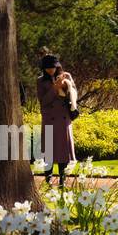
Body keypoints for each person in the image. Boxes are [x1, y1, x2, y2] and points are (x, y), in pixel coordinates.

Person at [36, 54, 77, 188]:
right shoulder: (41, 81)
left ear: (57, 66)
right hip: (49, 118)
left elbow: (74, 93)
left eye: (52, 67)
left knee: (63, 151)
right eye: (47, 68)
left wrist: (65, 86)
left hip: (63, 118)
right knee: (49, 151)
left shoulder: (67, 76)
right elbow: (43, 102)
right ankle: (48, 180)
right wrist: (54, 88)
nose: (50, 70)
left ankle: (62, 181)